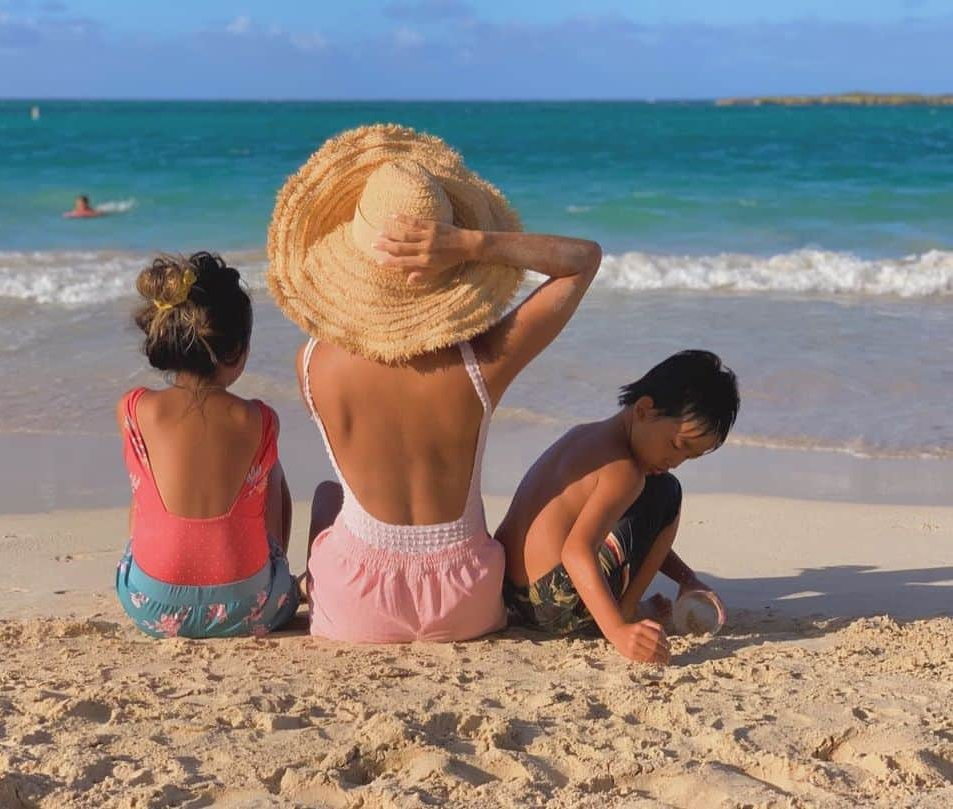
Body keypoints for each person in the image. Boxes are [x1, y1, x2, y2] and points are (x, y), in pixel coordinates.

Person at [267, 124, 602, 643]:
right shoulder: (484, 362)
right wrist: (475, 244)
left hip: (359, 608)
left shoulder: (312, 363)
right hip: (465, 600)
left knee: (331, 494)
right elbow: (583, 261)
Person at [496, 350, 740, 665]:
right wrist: (618, 630)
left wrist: (686, 578)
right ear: (644, 409)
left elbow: (633, 530)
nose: (676, 462)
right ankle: (627, 609)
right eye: (678, 445)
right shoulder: (624, 472)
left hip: (509, 594)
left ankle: (620, 610)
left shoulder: (584, 436)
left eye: (690, 457)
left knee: (654, 488)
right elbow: (576, 551)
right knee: (667, 492)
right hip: (555, 606)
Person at [115, 251, 298, 638]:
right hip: (249, 606)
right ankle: (271, 565)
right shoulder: (259, 419)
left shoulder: (135, 408)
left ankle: (156, 559)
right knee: (270, 471)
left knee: (145, 477)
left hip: (151, 604)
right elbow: (271, 500)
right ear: (237, 350)